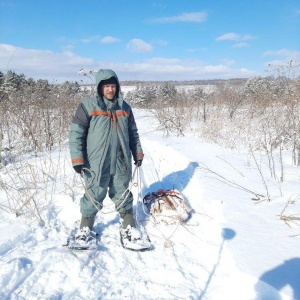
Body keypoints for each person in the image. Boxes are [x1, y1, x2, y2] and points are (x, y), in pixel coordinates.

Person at [69, 69, 144, 249]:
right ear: (100, 87)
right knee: (94, 193)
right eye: (106, 86)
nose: (110, 89)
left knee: (122, 191)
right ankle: (85, 228)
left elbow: (133, 133)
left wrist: (138, 153)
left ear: (117, 87)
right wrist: (78, 159)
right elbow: (76, 133)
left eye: (113, 86)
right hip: (96, 162)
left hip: (120, 160)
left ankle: (128, 225)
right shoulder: (88, 106)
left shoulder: (125, 108)